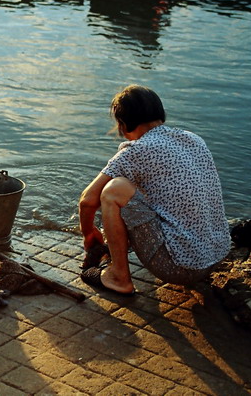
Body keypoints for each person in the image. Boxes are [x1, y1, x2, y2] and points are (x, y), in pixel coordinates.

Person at [78, 85, 230, 296]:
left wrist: (88, 233)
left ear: (123, 124)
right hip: (217, 255)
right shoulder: (193, 139)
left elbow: (88, 201)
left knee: (115, 190)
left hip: (181, 269)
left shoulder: (136, 150)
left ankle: (119, 277)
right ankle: (119, 256)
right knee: (142, 192)